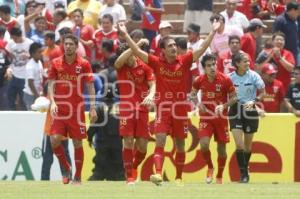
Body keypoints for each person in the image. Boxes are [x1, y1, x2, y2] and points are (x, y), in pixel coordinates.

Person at [117, 19, 221, 185]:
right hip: (163, 109)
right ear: (163, 50)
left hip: (180, 109)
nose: (174, 47)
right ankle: (158, 174)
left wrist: (214, 31)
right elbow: (136, 50)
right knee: (160, 140)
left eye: (174, 45)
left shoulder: (184, 60)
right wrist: (125, 34)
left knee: (180, 145)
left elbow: (201, 49)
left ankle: (179, 177)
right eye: (170, 46)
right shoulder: (157, 63)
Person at [48, 33, 97, 184]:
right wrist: (53, 102)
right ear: (63, 45)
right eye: (66, 44)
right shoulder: (56, 62)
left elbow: (90, 86)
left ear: (76, 47)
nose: (68, 46)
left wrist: (93, 107)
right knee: (54, 140)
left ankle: (78, 176)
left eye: (71, 44)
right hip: (60, 110)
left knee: (77, 143)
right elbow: (50, 84)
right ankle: (66, 167)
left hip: (76, 111)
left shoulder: (84, 64)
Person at [191, 54, 237, 184]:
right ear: (204, 68)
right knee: (204, 145)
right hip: (206, 118)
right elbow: (193, 94)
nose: (212, 67)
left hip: (221, 119)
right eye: (209, 65)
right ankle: (210, 167)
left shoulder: (225, 79)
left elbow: (234, 97)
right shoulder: (199, 80)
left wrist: (224, 105)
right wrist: (198, 103)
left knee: (221, 150)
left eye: (214, 64)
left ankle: (219, 176)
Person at [114, 41, 156, 184]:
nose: (126, 59)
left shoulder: (145, 66)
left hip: (142, 109)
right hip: (126, 108)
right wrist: (136, 44)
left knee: (143, 146)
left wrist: (151, 95)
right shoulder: (121, 67)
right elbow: (118, 62)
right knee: (128, 140)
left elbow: (153, 84)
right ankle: (129, 176)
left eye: (129, 55)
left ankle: (133, 167)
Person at [228, 52, 265, 183]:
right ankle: (243, 174)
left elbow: (263, 92)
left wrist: (254, 101)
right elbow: (225, 94)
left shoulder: (254, 76)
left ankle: (245, 168)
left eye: (248, 61)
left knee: (248, 147)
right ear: (237, 64)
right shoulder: (230, 78)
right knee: (239, 144)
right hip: (235, 109)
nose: (248, 63)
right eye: (245, 61)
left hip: (250, 108)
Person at [5, 27, 33, 110]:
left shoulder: (29, 43)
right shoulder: (11, 43)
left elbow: (36, 56)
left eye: (15, 38)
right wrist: (9, 68)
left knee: (23, 100)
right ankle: (11, 115)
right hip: (13, 74)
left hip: (24, 76)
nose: (14, 40)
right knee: (10, 96)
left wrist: (29, 56)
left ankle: (24, 117)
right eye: (12, 38)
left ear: (20, 35)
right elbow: (9, 58)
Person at [23, 42, 44, 110]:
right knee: (31, 116)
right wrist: (37, 96)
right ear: (32, 54)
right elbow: (30, 83)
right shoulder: (30, 66)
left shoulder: (39, 62)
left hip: (37, 94)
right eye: (39, 52)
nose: (41, 54)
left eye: (41, 51)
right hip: (31, 95)